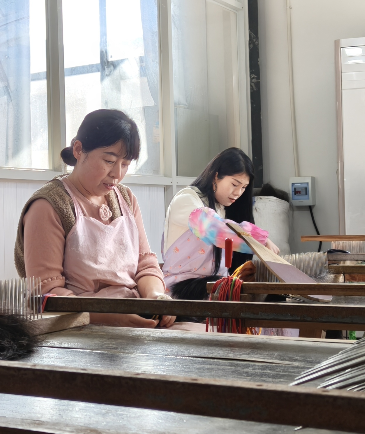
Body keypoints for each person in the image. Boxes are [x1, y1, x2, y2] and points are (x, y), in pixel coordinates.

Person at [15, 109, 175, 329]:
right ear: (78, 150)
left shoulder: (126, 199)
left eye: (125, 164)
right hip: (79, 330)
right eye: (109, 160)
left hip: (135, 317)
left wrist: (156, 298)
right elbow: (46, 294)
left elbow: (145, 266)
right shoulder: (49, 206)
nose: (117, 174)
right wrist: (110, 316)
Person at [162, 147, 280, 300]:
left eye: (244, 188)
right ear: (216, 176)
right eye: (234, 184)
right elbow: (216, 230)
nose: (238, 193)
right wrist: (261, 240)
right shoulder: (186, 200)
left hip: (213, 289)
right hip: (181, 291)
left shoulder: (221, 209)